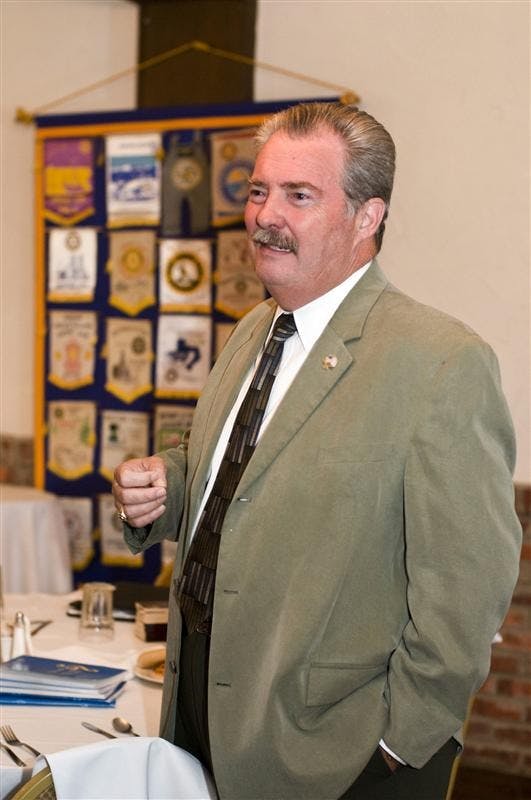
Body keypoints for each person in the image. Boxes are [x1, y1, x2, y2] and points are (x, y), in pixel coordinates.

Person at [113, 102, 521, 800]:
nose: (265, 215)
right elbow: (244, 479)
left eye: (299, 196)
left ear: (367, 218)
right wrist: (168, 487)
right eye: (258, 191)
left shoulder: (441, 363)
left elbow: (467, 591)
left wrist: (397, 743)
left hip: (339, 755)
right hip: (205, 716)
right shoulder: (253, 330)